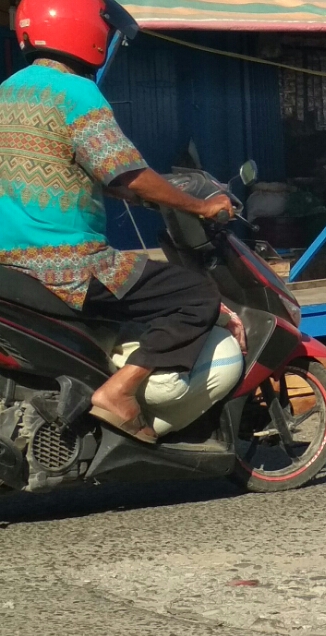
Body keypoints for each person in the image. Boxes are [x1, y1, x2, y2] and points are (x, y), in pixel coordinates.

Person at [0, 0, 236, 444]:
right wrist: (200, 207)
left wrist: (127, 192)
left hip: (8, 265)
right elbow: (128, 174)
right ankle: (121, 391)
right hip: (67, 265)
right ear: (88, 30)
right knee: (195, 293)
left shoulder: (7, 91)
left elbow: (80, 169)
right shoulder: (76, 94)